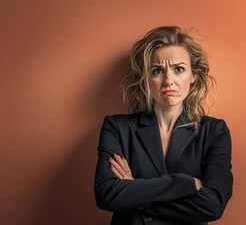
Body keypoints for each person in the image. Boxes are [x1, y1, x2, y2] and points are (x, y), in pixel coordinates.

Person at [94, 26, 232, 225]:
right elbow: (106, 195)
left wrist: (135, 192)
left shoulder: (214, 132)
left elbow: (213, 205)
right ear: (146, 78)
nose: (168, 81)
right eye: (157, 71)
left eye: (179, 69)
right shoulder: (117, 128)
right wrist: (186, 183)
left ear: (193, 75)